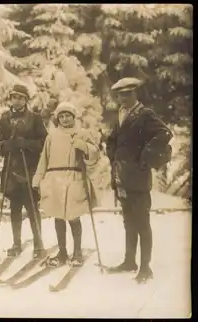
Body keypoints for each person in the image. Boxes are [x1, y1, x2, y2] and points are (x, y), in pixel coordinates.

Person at [105, 77, 173, 284]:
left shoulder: (145, 114)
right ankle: (129, 261)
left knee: (142, 222)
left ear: (134, 94)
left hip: (139, 177)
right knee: (128, 221)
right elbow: (114, 141)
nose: (122, 98)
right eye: (119, 95)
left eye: (127, 94)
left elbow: (165, 133)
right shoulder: (120, 115)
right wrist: (112, 155)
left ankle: (145, 267)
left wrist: (146, 155)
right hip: (121, 176)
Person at [32, 102, 100, 267]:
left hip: (73, 177)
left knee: (73, 216)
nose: (64, 119)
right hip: (55, 177)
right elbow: (44, 159)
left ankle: (77, 252)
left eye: (67, 115)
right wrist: (38, 178)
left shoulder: (82, 134)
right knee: (58, 216)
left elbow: (95, 154)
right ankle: (62, 252)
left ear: (73, 116)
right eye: (61, 116)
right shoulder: (52, 136)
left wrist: (84, 147)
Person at [0, 84, 48, 258]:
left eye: (20, 97)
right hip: (11, 170)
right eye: (14, 97)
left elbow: (44, 143)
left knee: (32, 208)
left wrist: (26, 144)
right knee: (15, 208)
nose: (17, 100)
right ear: (10, 99)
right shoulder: (4, 119)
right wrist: (7, 145)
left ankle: (38, 243)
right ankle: (16, 243)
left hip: (30, 169)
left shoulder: (35, 118)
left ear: (26, 100)